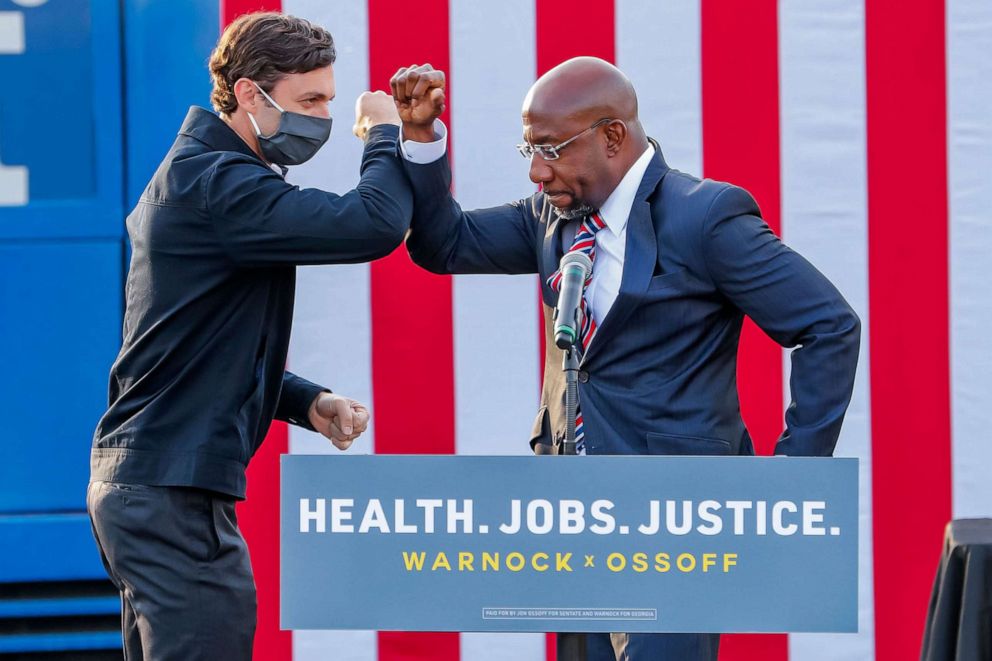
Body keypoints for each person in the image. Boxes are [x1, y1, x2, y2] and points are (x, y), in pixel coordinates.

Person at [390, 57, 861, 661]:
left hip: (678, 523)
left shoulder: (706, 216)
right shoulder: (552, 215)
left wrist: (792, 481)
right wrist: (422, 140)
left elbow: (828, 326)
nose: (537, 171)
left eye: (551, 149)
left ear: (612, 136)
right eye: (528, 149)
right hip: (572, 517)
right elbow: (443, 245)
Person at [87, 12, 407, 660]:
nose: (323, 117)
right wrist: (385, 136)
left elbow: (196, 343)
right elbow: (373, 224)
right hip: (170, 493)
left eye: (330, 100)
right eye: (309, 100)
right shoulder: (218, 185)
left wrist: (305, 402)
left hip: (150, 486)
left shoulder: (206, 178)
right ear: (248, 95)